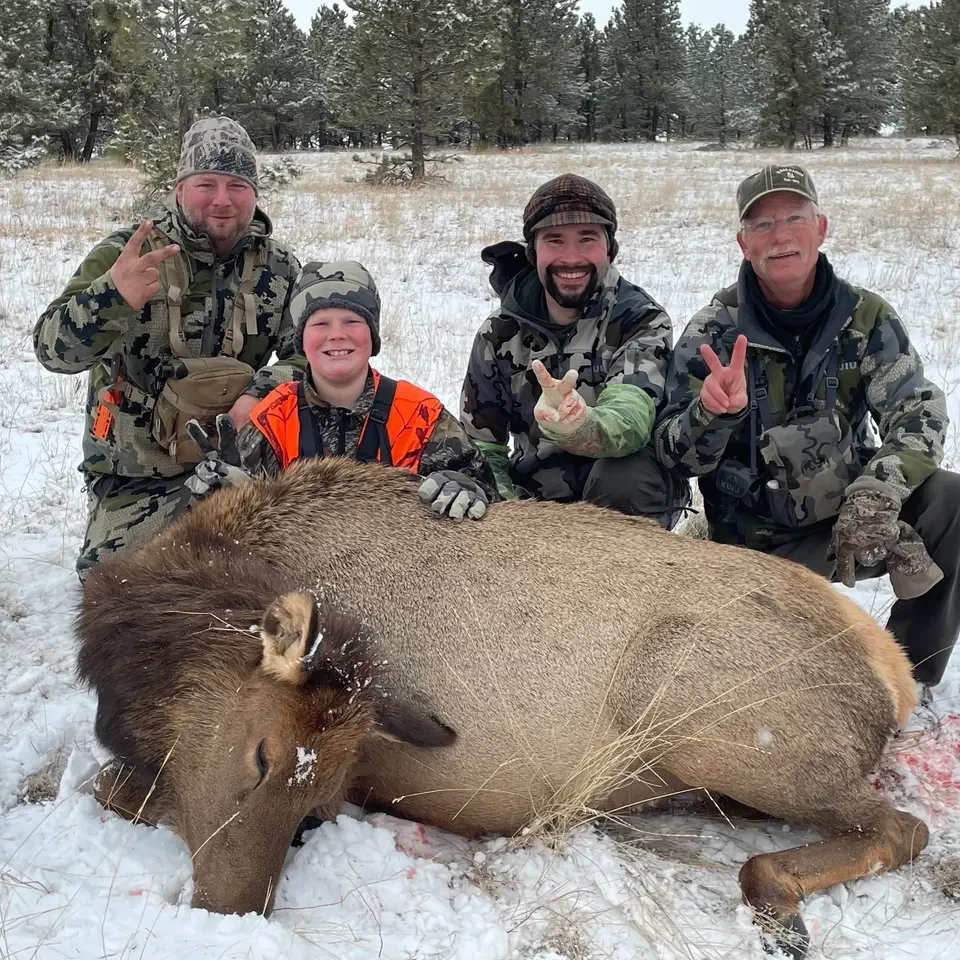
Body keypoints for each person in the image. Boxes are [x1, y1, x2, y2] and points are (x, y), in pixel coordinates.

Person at [654, 162, 959, 687]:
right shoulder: (713, 329)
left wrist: (878, 491)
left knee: (952, 501)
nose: (781, 237)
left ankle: (912, 674)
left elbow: (918, 411)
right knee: (758, 688)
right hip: (751, 541)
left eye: (794, 217)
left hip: (851, 520)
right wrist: (711, 413)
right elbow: (673, 455)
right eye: (763, 225)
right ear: (742, 241)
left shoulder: (868, 319)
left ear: (820, 227)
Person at [33, 116, 303, 580]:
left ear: (254, 194)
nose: (222, 200)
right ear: (180, 189)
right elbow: (52, 352)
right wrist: (111, 298)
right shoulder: (127, 253)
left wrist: (262, 391)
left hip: (239, 462)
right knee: (128, 593)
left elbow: (307, 357)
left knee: (286, 576)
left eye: (237, 185)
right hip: (140, 473)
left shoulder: (278, 267)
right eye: (207, 184)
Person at [459, 173, 690, 528]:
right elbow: (484, 448)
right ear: (533, 250)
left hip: (623, 491)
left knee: (627, 475)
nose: (571, 258)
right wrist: (505, 519)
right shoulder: (498, 333)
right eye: (555, 240)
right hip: (535, 500)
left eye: (587, 239)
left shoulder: (640, 319)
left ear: (610, 249)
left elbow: (632, 414)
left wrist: (581, 427)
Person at [187, 260, 497, 522]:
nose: (337, 335)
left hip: (405, 570)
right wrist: (224, 499)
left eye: (352, 321)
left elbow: (486, 495)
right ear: (301, 340)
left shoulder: (419, 414)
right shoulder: (273, 419)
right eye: (320, 324)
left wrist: (465, 486)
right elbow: (230, 530)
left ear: (372, 336)